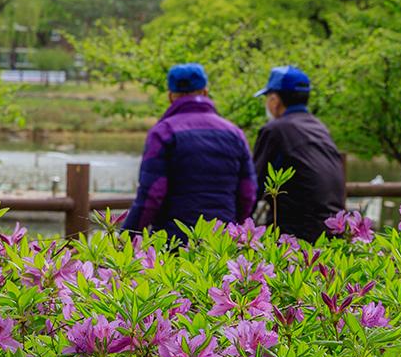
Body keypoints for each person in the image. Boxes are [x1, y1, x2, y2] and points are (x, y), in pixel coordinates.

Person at [121, 63, 257, 241]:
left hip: (175, 241)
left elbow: (152, 194)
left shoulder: (163, 132)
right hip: (222, 243)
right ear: (205, 92)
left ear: (170, 96)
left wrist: (126, 238)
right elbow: (248, 192)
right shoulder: (234, 133)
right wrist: (235, 229)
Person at [252, 66, 346, 242]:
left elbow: (252, 186)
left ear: (274, 100)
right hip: (332, 234)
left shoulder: (275, 130)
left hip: (295, 239)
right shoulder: (319, 128)